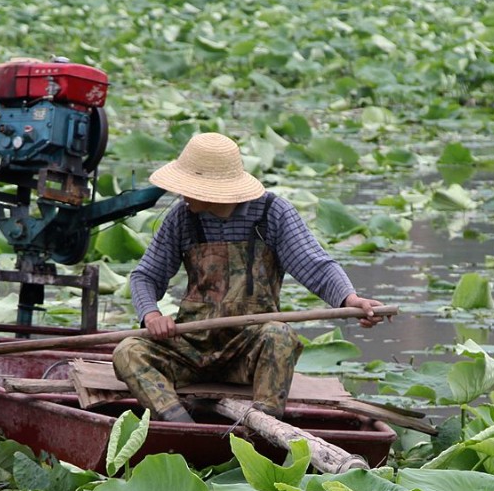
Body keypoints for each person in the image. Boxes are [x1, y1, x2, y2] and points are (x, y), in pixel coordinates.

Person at [112, 132, 385, 424]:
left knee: (280, 336)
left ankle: (260, 430)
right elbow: (145, 276)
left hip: (249, 350)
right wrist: (151, 315)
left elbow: (316, 265)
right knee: (128, 351)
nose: (181, 193)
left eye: (189, 186)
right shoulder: (182, 217)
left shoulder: (272, 213)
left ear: (212, 189)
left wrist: (351, 299)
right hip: (193, 345)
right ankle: (180, 423)